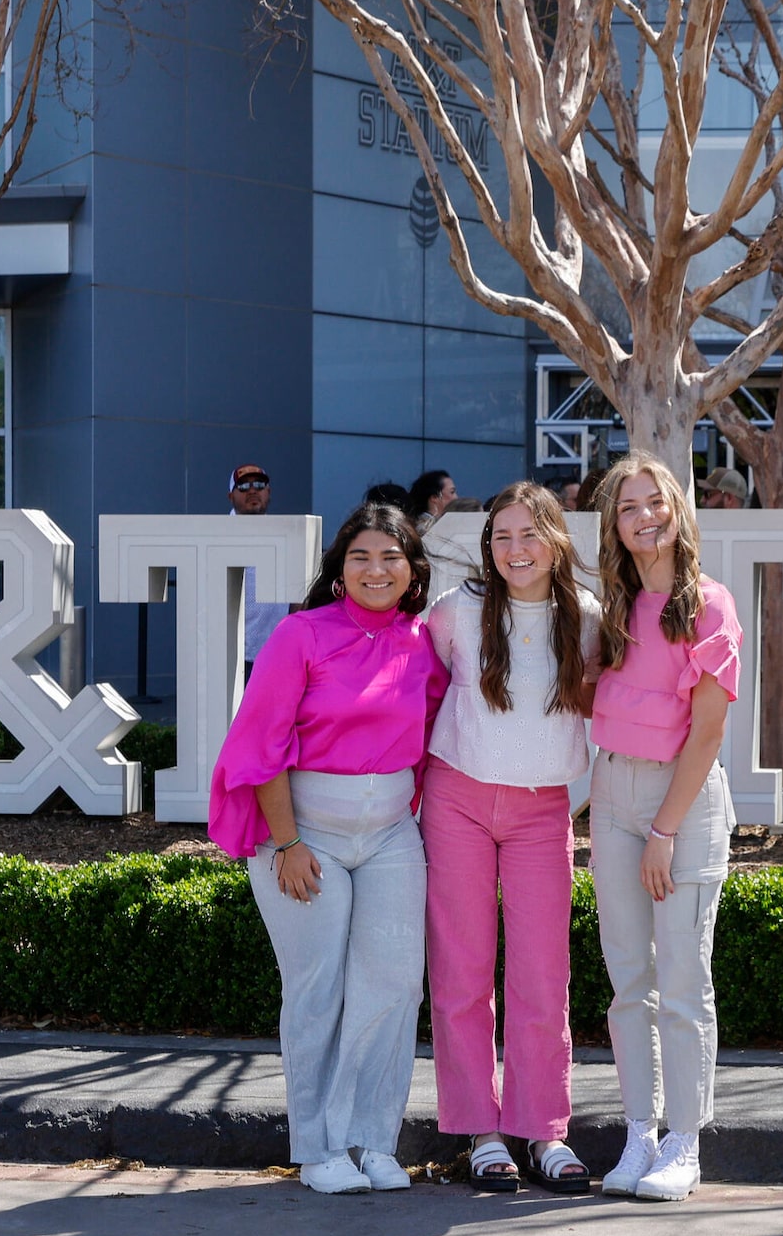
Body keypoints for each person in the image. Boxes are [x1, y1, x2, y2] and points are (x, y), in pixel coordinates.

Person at [211, 504, 445, 1195]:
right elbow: (261, 743)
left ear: (412, 569)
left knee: (395, 985)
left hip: (391, 835)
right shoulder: (299, 634)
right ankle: (316, 1149)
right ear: (338, 571)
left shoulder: (422, 641)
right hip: (302, 832)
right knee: (319, 991)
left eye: (390, 557)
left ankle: (373, 1141)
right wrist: (284, 842)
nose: (377, 570)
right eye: (361, 557)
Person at [422, 483, 596, 1195]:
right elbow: (425, 685)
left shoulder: (586, 618)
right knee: (461, 970)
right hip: (456, 796)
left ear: (554, 540)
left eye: (528, 534)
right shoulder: (455, 611)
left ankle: (542, 1131)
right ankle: (479, 1131)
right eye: (500, 536)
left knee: (540, 973)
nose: (514, 549)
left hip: (540, 809)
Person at [585, 454, 737, 1204]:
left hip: (681, 805)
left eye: (655, 502)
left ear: (677, 510)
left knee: (682, 981)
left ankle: (685, 1139)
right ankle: (638, 1132)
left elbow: (706, 732)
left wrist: (664, 830)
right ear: (613, 525)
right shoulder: (609, 608)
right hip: (611, 794)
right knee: (627, 983)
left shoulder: (708, 604)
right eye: (627, 507)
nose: (644, 516)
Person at [228, 463, 293, 657]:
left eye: (259, 484)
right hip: (231, 654)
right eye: (244, 486)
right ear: (230, 496)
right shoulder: (218, 537)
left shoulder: (285, 536)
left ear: (269, 491)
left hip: (277, 652)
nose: (253, 490)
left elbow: (298, 595)